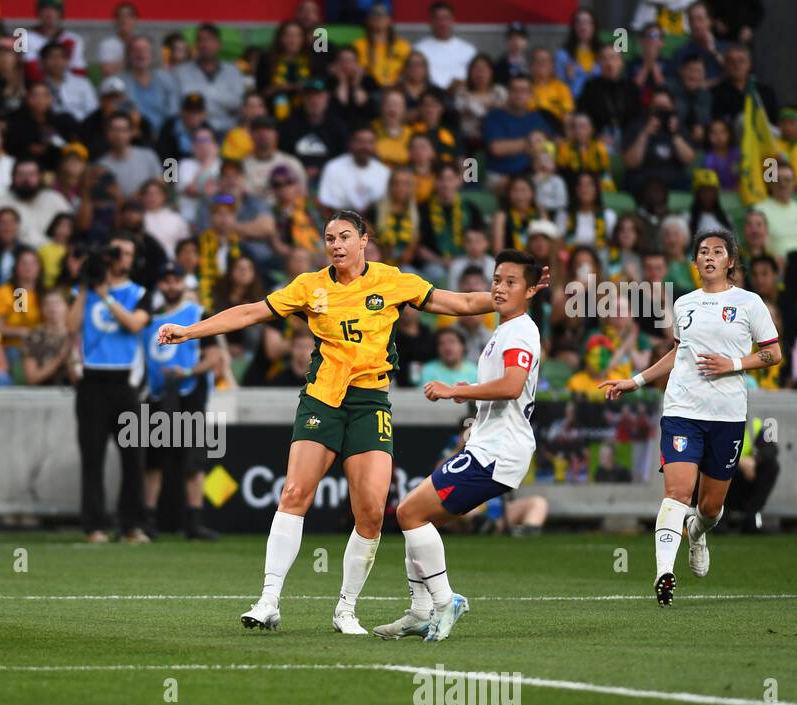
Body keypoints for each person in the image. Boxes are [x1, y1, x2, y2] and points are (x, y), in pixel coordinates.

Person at [156, 211, 548, 634]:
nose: (336, 245)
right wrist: (190, 331)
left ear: (365, 240)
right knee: (294, 492)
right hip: (322, 399)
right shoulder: (310, 286)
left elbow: (462, 303)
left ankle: (346, 609)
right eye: (329, 238)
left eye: (345, 236)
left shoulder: (392, 281)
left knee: (372, 513)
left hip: (370, 404)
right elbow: (252, 312)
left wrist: (515, 294)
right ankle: (268, 600)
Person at [599, 228, 782, 606]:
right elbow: (679, 353)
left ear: (730, 261)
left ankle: (697, 534)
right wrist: (636, 380)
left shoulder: (749, 303)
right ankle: (664, 572)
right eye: (702, 251)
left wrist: (732, 364)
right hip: (682, 410)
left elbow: (773, 353)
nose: (709, 257)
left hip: (727, 415)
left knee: (711, 508)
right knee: (678, 492)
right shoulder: (684, 304)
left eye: (717, 251)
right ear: (695, 261)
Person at [374, 250, 542, 642]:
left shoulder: (519, 331)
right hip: (487, 446)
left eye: (511, 282)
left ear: (530, 290)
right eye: (497, 279)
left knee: (410, 514)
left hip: (498, 452)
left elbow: (513, 385)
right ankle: (419, 612)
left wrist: (457, 390)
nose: (500, 288)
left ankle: (444, 601)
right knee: (418, 518)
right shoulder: (504, 328)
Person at [67, 232, 152, 543]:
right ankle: (95, 525)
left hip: (124, 381)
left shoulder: (139, 292)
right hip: (91, 381)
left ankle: (131, 524)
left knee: (133, 456)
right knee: (92, 455)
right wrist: (85, 288)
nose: (121, 259)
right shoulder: (83, 290)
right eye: (116, 252)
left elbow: (134, 324)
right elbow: (70, 326)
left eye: (126, 253)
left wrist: (105, 296)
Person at [141, 264, 221, 542]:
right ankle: (148, 520)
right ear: (160, 286)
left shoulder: (197, 314)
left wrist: (186, 372)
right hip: (157, 395)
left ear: (183, 284)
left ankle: (194, 522)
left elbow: (213, 358)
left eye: (176, 280)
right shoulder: (148, 320)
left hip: (190, 393)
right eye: (166, 281)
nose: (171, 285)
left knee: (193, 462)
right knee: (153, 461)